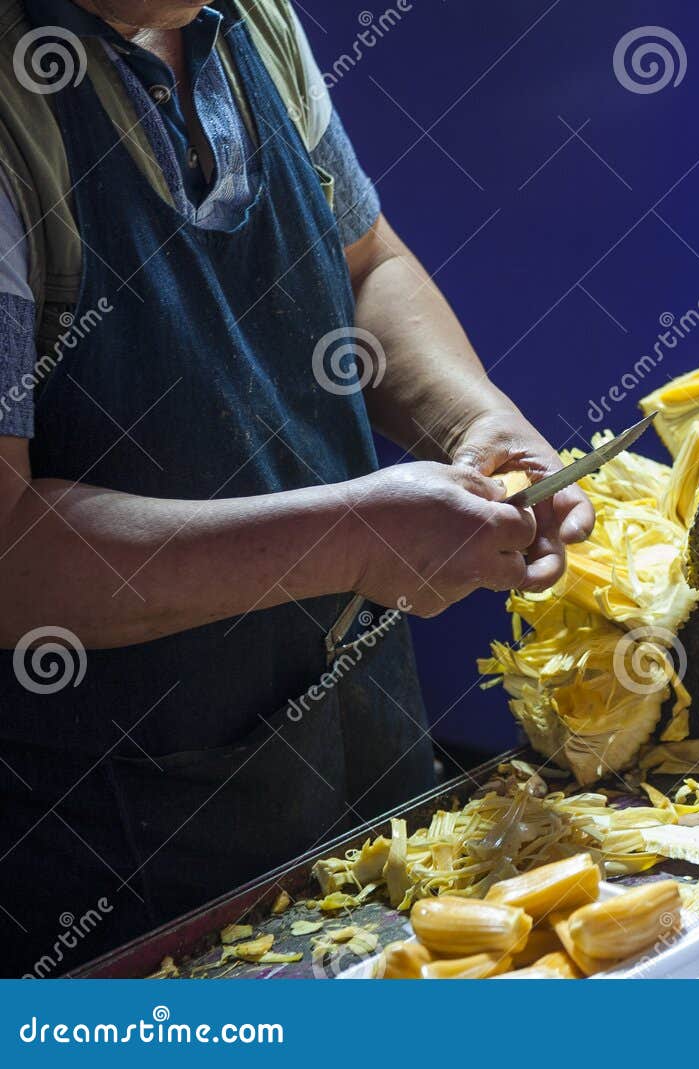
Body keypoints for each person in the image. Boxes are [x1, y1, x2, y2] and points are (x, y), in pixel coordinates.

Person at [0, 0, 592, 975]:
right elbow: (11, 553)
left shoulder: (245, 22)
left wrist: (472, 422)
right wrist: (353, 539)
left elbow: (368, 266)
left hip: (359, 769)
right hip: (126, 859)